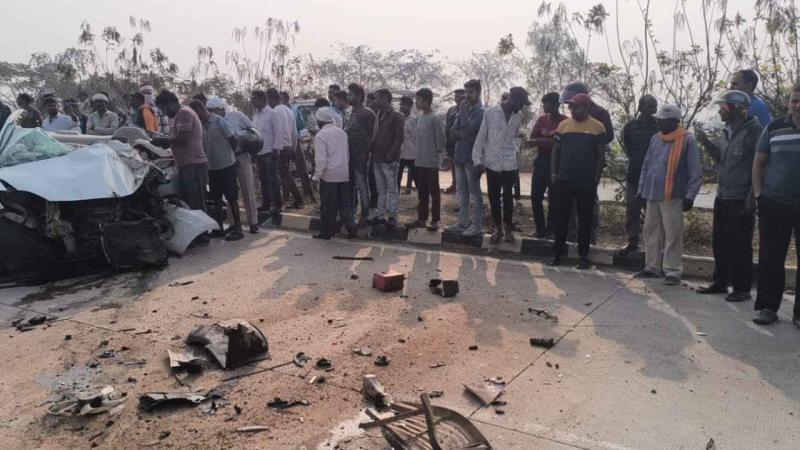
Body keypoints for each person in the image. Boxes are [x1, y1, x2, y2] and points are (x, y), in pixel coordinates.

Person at [693, 90, 761, 302]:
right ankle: (720, 282)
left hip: (741, 197)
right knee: (720, 242)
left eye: (723, 107)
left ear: (736, 109)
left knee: (740, 244)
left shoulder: (754, 131)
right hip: (723, 195)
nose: (720, 111)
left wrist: (752, 197)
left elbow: (759, 166)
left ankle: (742, 289)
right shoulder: (726, 131)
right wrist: (705, 141)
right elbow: (721, 160)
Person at [635, 104, 703, 285]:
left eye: (663, 121)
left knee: (673, 234)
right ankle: (651, 267)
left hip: (674, 195)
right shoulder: (655, 139)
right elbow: (646, 166)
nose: (659, 123)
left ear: (674, 121)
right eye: (658, 120)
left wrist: (690, 196)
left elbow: (695, 172)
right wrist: (641, 190)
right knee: (650, 231)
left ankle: (672, 271)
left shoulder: (688, 140)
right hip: (652, 193)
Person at [750, 84, 800, 327]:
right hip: (775, 203)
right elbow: (759, 163)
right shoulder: (774, 128)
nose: (798, 106)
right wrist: (759, 195)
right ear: (789, 103)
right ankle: (768, 307)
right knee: (771, 257)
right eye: (794, 101)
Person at [548, 93, 606, 269]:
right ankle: (557, 254)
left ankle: (583, 256)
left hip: (586, 181)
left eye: (576, 106)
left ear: (587, 107)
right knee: (561, 219)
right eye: (571, 107)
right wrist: (554, 174)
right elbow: (556, 151)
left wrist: (595, 179)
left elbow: (600, 156)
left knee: (585, 220)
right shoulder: (564, 126)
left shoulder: (598, 127)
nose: (572, 110)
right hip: (564, 179)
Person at [473, 87, 530, 244]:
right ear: (513, 99)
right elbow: (481, 136)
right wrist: (477, 159)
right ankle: (497, 229)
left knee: (508, 196)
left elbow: (514, 136)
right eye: (521, 103)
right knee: (494, 196)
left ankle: (508, 229)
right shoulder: (491, 113)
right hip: (492, 161)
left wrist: (516, 149)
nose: (522, 107)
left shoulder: (518, 116)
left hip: (509, 162)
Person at [560, 82, 614, 242]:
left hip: (590, 166)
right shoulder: (572, 113)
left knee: (589, 201)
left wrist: (588, 143)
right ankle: (571, 234)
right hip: (571, 165)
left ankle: (590, 236)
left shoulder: (600, 113)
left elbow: (608, 137)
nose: (570, 108)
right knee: (569, 202)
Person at [154, 91, 209, 245]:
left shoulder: (184, 113)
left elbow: (183, 138)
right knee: (190, 202)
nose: (164, 112)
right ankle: (196, 236)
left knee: (196, 202)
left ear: (171, 103)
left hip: (194, 164)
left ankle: (203, 236)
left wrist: (164, 141)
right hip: (186, 164)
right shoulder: (179, 115)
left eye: (164, 108)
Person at [188, 100, 243, 241]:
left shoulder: (219, 121)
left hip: (227, 165)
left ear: (199, 110)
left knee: (232, 198)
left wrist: (235, 156)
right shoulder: (202, 126)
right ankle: (219, 228)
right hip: (212, 168)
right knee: (216, 199)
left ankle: (238, 228)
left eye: (195, 114)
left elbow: (233, 139)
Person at [207, 97, 260, 234]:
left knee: (247, 188)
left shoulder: (237, 116)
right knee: (231, 193)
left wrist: (242, 138)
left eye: (213, 110)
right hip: (227, 160)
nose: (211, 113)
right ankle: (233, 223)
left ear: (220, 108)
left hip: (241, 156)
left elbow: (253, 130)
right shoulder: (212, 122)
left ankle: (253, 221)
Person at [617, 95, 659, 255]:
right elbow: (629, 149)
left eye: (655, 106)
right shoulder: (630, 127)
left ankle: (652, 245)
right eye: (650, 106)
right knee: (632, 209)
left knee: (652, 213)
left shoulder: (658, 127)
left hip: (653, 177)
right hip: (634, 174)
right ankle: (632, 241)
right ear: (641, 107)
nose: (653, 109)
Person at [312, 107, 357, 240]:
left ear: (320, 121)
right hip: (343, 173)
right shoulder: (342, 133)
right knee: (344, 204)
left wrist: (316, 177)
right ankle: (351, 227)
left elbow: (321, 160)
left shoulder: (321, 135)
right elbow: (346, 154)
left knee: (328, 206)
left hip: (329, 175)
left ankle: (327, 232)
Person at [448, 79, 485, 237]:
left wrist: (462, 117)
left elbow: (469, 132)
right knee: (462, 192)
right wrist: (462, 131)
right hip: (459, 155)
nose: (467, 96)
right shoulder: (464, 110)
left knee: (475, 193)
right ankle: (462, 223)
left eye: (471, 92)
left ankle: (476, 225)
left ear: (478, 92)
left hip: (472, 158)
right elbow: (452, 133)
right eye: (466, 92)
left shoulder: (480, 112)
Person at [527, 92, 566, 238]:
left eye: (547, 103)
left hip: (557, 163)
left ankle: (551, 229)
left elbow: (560, 144)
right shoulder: (542, 119)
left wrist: (540, 141)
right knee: (535, 196)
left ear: (557, 104)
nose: (544, 106)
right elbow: (532, 138)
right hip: (541, 160)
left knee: (554, 198)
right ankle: (540, 228)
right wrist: (547, 141)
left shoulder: (564, 122)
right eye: (544, 103)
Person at [407, 88, 445, 231]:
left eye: (419, 100)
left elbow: (441, 140)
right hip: (419, 160)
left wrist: (437, 155)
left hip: (431, 162)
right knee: (422, 192)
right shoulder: (420, 117)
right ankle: (421, 219)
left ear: (427, 101)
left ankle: (435, 220)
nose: (416, 102)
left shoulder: (435, 118)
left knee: (434, 192)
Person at [369, 88, 405, 228]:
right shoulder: (379, 114)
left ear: (385, 98)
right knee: (381, 190)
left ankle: (392, 216)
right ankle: (381, 215)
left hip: (389, 159)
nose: (375, 101)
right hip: (378, 157)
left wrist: (392, 153)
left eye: (377, 98)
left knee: (391, 189)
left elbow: (399, 137)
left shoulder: (396, 116)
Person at [344, 83, 377, 224]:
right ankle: (350, 213)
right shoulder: (348, 112)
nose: (348, 97)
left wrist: (366, 152)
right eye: (348, 94)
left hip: (361, 156)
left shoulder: (368, 114)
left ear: (360, 96)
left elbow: (373, 137)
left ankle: (365, 214)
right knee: (348, 185)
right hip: (347, 156)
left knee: (362, 185)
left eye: (351, 95)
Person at [251, 90, 283, 215]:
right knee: (263, 180)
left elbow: (279, 132)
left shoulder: (272, 114)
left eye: (254, 98)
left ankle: (278, 205)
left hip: (270, 152)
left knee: (273, 179)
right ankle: (266, 204)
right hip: (259, 152)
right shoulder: (256, 116)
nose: (252, 101)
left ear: (263, 99)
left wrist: (276, 149)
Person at [272, 88, 304, 209]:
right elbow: (295, 133)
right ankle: (291, 199)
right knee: (285, 174)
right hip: (289, 146)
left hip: (280, 147)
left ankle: (298, 199)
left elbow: (277, 132)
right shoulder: (289, 111)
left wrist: (276, 148)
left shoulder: (275, 111)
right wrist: (294, 148)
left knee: (284, 174)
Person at [281, 91, 315, 202]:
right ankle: (286, 195)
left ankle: (309, 193)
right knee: (285, 170)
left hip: (295, 140)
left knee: (302, 168)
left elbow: (301, 125)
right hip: (284, 143)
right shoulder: (277, 111)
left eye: (281, 99)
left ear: (286, 99)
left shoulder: (295, 110)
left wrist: (292, 124)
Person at [443, 89, 466, 194]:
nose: (457, 98)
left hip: (462, 141)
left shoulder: (467, 109)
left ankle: (463, 187)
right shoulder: (451, 110)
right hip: (451, 141)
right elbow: (447, 126)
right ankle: (454, 184)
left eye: (460, 96)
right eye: (456, 96)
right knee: (453, 163)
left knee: (463, 166)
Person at [397, 95, 418, 194]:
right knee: (397, 178)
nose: (401, 106)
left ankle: (422, 199)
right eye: (400, 104)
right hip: (400, 153)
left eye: (403, 105)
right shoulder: (398, 118)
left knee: (417, 178)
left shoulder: (415, 119)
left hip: (412, 153)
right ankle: (395, 199)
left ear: (410, 106)